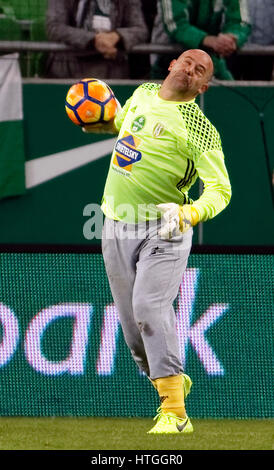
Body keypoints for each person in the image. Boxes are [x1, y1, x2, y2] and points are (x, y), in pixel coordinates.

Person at [84, 49, 231, 434]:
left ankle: (176, 415)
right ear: (171, 65)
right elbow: (121, 123)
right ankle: (171, 383)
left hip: (165, 228)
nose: (190, 69)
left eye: (200, 70)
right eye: (187, 61)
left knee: (149, 308)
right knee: (135, 334)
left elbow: (220, 190)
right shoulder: (143, 93)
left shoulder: (200, 128)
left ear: (203, 85)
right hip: (115, 223)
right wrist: (96, 120)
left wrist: (190, 214)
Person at [45, 0, 148, 79]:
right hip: (68, 70)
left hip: (111, 69)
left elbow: (140, 29)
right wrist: (93, 39)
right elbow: (54, 27)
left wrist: (117, 36)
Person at [151, 0, 251, 80]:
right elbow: (174, 24)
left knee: (231, 98)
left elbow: (240, 21)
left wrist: (232, 38)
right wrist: (208, 40)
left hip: (212, 60)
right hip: (169, 61)